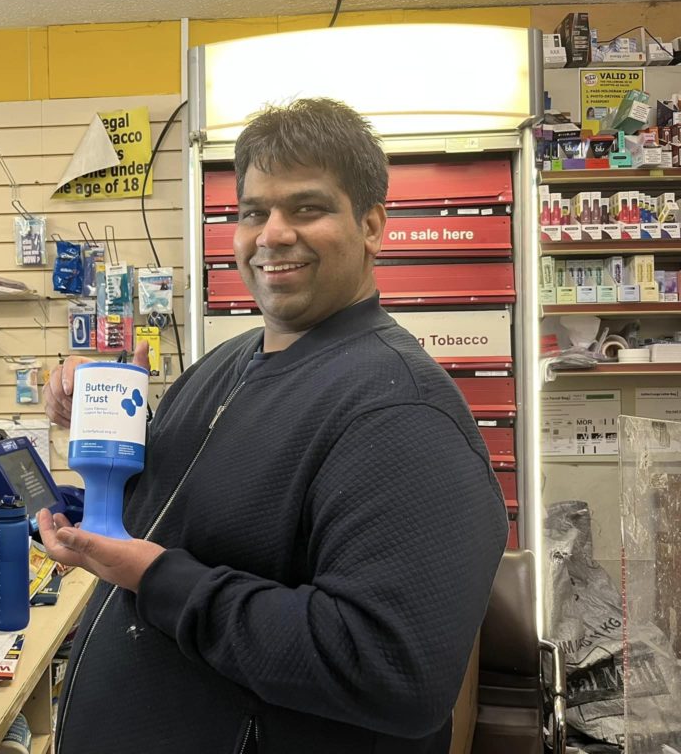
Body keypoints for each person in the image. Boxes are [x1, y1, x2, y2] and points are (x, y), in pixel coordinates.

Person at [39, 98, 508, 754]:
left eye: (307, 208)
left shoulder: (401, 411)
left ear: (373, 226)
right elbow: (196, 512)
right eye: (254, 211)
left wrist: (160, 579)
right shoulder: (227, 364)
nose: (272, 234)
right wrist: (107, 421)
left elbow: (392, 672)